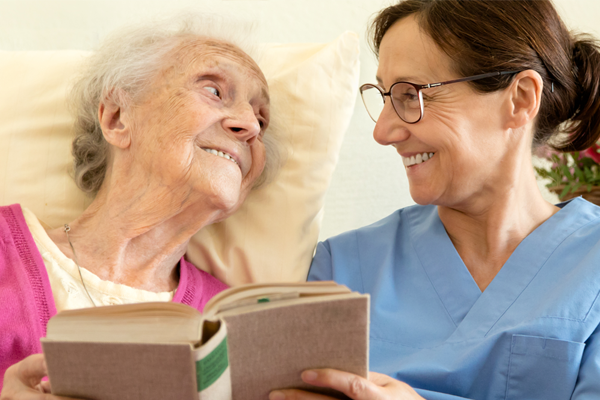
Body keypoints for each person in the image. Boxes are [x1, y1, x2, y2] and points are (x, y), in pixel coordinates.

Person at [270, 1, 600, 400]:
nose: (384, 131)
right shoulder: (339, 270)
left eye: (411, 95)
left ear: (521, 99)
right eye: (385, 96)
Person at [0, 14, 277, 399]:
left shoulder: (232, 325)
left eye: (261, 117)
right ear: (117, 118)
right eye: (213, 90)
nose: (250, 125)